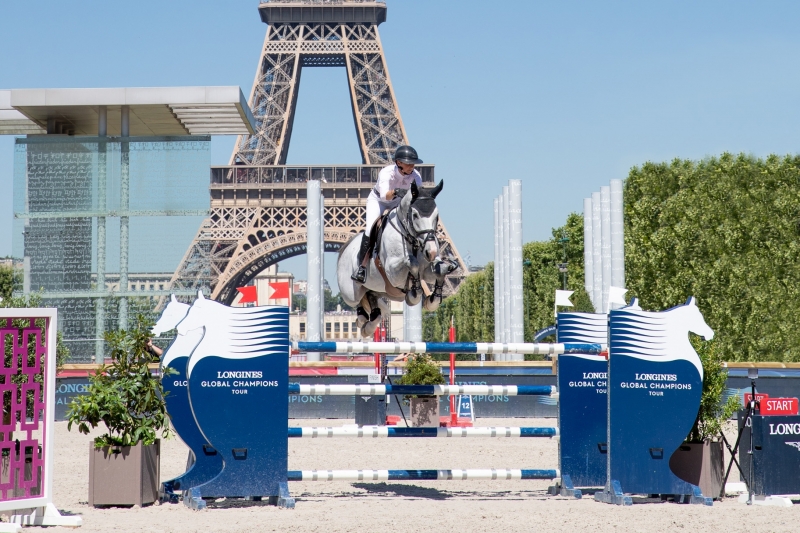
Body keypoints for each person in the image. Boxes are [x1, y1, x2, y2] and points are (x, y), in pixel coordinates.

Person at [351, 145, 424, 283]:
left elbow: (418, 196)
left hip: (399, 202)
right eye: (409, 163)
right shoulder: (386, 173)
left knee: (412, 227)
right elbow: (385, 197)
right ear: (399, 162)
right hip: (379, 201)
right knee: (370, 229)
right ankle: (362, 267)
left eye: (413, 163)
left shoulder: (416, 176)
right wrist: (396, 191)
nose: (412, 166)